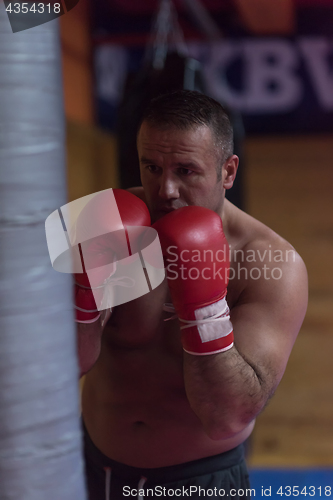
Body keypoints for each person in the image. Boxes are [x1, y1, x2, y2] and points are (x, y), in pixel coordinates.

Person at [76, 90, 308, 500]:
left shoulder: (271, 263)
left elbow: (227, 417)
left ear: (228, 172)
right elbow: (59, 369)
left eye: (185, 170)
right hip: (91, 465)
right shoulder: (108, 226)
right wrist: (82, 301)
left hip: (199, 483)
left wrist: (204, 306)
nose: (165, 189)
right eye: (152, 167)